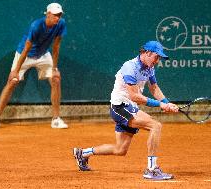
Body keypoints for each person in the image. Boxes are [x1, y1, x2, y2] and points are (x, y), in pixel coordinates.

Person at [73, 41, 179, 180]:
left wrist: (167, 103)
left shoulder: (149, 68)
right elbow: (134, 95)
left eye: (159, 58)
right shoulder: (130, 67)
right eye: (156, 57)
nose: (157, 61)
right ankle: (151, 169)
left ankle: (83, 153)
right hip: (120, 107)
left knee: (120, 149)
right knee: (155, 126)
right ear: (147, 53)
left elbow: (154, 88)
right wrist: (160, 105)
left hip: (130, 107)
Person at [0, 3, 68, 129]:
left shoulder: (61, 24)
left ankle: (56, 119)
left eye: (59, 15)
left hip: (43, 55)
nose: (57, 18)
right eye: (54, 15)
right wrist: (15, 71)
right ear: (48, 14)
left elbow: (56, 47)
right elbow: (26, 49)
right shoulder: (36, 26)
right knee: (12, 82)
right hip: (25, 55)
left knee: (56, 79)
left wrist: (54, 68)